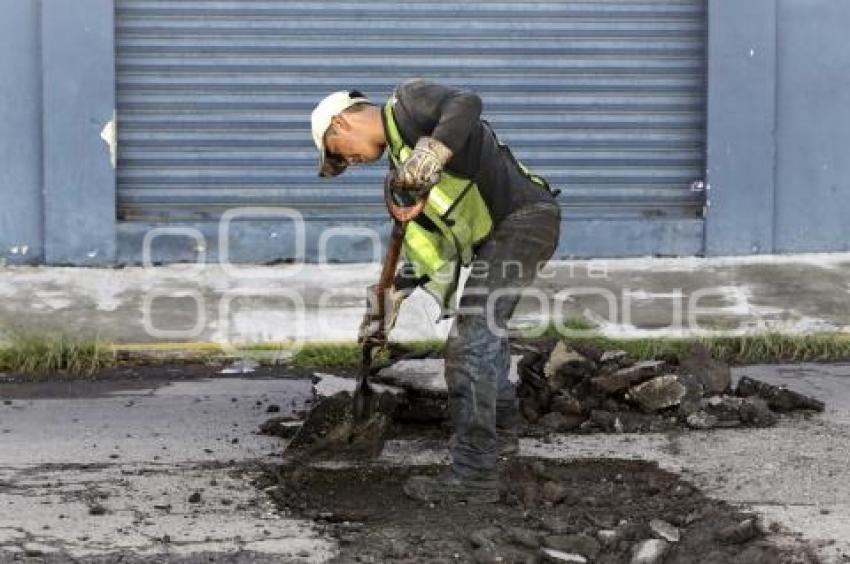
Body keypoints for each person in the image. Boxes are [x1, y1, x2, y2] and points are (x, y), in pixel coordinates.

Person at [310, 79, 561, 503]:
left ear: (340, 122)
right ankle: (499, 438)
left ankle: (474, 476)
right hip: (501, 236)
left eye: (338, 152)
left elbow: (465, 101)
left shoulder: (406, 104)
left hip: (524, 219)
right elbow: (425, 248)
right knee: (486, 336)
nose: (348, 162)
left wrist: (434, 150)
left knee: (471, 344)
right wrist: (387, 300)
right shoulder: (403, 173)